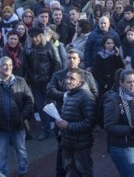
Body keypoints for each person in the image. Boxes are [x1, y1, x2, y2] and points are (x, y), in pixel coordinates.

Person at [47, 49, 99, 177]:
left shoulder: (86, 77)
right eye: (69, 58)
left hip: (79, 128)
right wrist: (65, 96)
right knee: (65, 160)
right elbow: (50, 90)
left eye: (74, 58)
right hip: (63, 118)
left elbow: (95, 94)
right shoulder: (58, 75)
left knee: (83, 166)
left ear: (79, 60)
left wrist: (80, 99)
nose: (71, 60)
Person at [0, 56, 34, 177]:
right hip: (0, 126)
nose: (8, 67)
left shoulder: (21, 81)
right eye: (4, 64)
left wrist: (22, 117)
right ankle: (1, 174)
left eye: (10, 65)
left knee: (21, 151)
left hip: (18, 125)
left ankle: (23, 172)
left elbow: (30, 101)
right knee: (1, 153)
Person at [104, 69, 134, 177]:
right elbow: (110, 126)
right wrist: (132, 130)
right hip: (123, 145)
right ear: (121, 83)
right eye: (129, 82)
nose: (132, 85)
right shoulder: (113, 99)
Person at [55, 68, 97, 177]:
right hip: (68, 143)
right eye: (67, 78)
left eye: (72, 78)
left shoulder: (87, 97)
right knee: (70, 172)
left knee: (84, 172)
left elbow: (89, 123)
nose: (68, 81)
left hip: (81, 145)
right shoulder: (69, 94)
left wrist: (67, 126)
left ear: (80, 81)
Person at [25, 26, 62, 140]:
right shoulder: (28, 49)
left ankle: (58, 128)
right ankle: (45, 129)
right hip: (35, 83)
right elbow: (27, 67)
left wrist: (52, 81)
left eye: (36, 36)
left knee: (52, 106)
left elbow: (57, 63)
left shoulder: (49, 46)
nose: (34, 39)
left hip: (47, 82)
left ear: (41, 36)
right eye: (32, 37)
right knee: (41, 107)